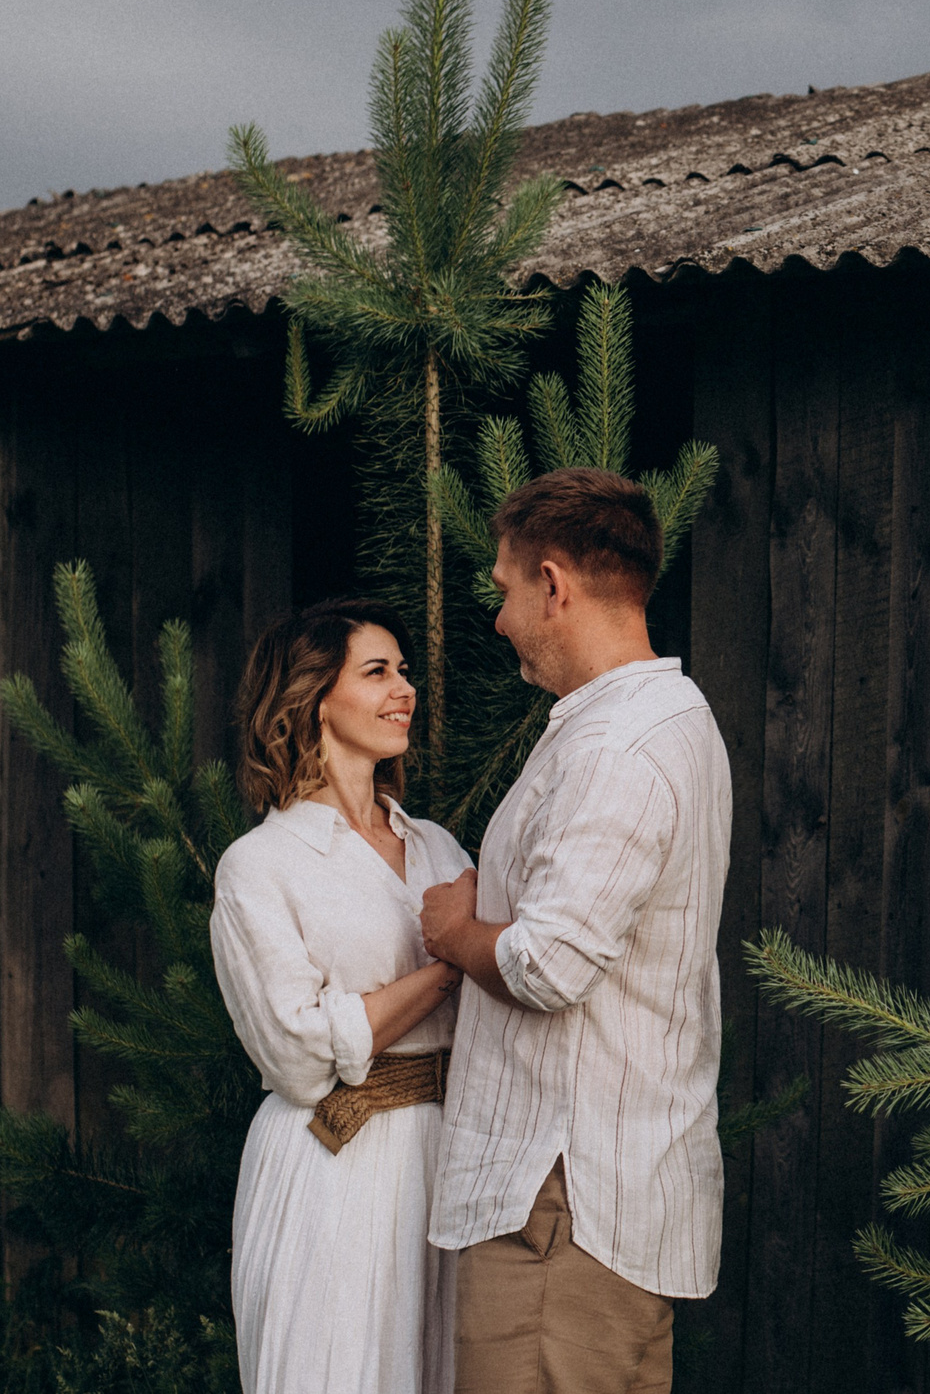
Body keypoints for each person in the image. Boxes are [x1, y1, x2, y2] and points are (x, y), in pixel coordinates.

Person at [418, 467, 732, 1394]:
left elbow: (548, 963)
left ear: (555, 584)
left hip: (560, 1211)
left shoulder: (615, 748)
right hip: (605, 1196)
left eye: (507, 590)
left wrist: (453, 930)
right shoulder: (669, 720)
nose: (503, 617)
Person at [212, 599, 472, 1394]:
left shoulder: (439, 847)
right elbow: (297, 1052)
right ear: (314, 697)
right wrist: (447, 965)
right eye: (378, 671)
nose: (405, 689)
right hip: (333, 1162)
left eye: (405, 670)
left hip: (450, 1158)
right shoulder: (261, 865)